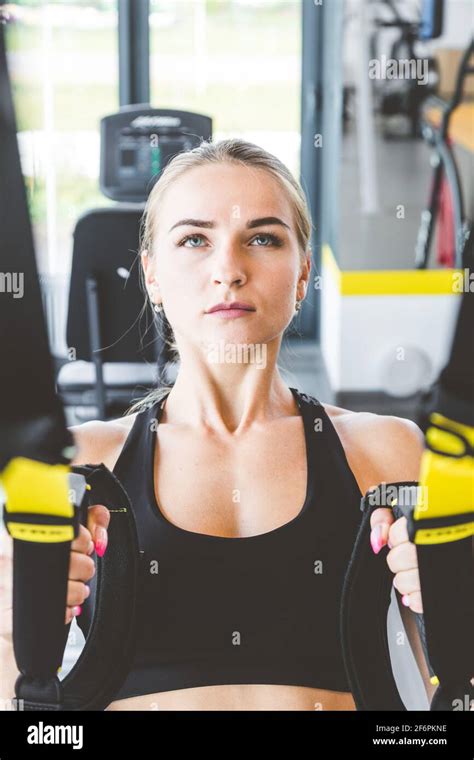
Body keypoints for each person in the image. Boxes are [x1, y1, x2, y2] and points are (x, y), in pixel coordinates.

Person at [0, 138, 436, 711]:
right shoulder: (74, 464)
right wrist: (12, 632)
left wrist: (459, 609)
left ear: (303, 273)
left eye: (262, 238)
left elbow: (455, 691)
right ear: (152, 276)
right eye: (194, 240)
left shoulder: (387, 451)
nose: (228, 270)